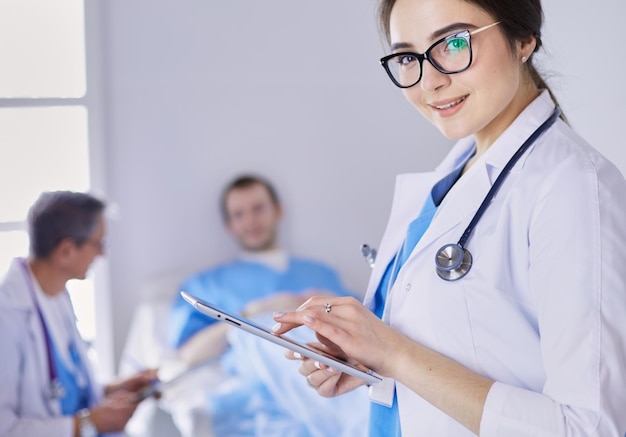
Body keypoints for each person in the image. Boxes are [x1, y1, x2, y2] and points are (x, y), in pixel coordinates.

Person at [272, 0, 626, 436]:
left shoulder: (571, 187)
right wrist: (368, 360)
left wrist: (395, 353)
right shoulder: (455, 176)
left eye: (454, 43)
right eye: (408, 57)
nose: (431, 81)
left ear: (524, 39)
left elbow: (589, 428)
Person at [163, 174, 367, 436]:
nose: (250, 221)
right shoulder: (208, 284)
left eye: (258, 209)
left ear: (277, 211)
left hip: (330, 362)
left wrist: (317, 304)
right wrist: (250, 315)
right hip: (262, 378)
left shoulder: (320, 274)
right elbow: (190, 354)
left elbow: (363, 326)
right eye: (239, 214)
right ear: (229, 225)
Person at [0, 191, 157, 437]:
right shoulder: (7, 316)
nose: (102, 254)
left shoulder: (55, 293)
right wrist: (86, 424)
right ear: (66, 251)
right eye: (98, 244)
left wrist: (116, 388)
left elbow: (67, 390)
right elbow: (4, 428)